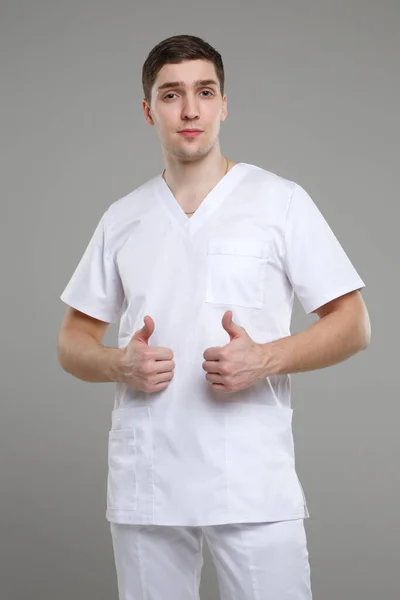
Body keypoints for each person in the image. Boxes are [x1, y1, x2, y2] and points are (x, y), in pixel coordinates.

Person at [57, 34, 370, 600]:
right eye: (172, 95)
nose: (191, 109)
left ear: (224, 103)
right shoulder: (123, 219)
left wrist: (266, 357)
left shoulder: (280, 203)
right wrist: (117, 363)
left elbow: (353, 323)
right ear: (150, 110)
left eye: (205, 92)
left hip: (250, 478)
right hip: (149, 482)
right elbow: (72, 341)